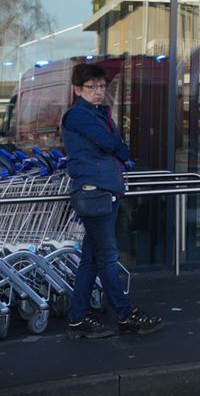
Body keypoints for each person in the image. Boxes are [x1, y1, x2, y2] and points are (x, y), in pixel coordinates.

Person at [62, 62, 164, 338]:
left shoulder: (97, 114)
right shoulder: (78, 115)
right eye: (91, 87)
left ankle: (78, 318)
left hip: (104, 191)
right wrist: (119, 148)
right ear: (77, 89)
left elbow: (115, 144)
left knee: (91, 259)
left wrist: (118, 147)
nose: (98, 91)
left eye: (101, 86)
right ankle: (125, 313)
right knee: (107, 257)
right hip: (94, 192)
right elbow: (111, 144)